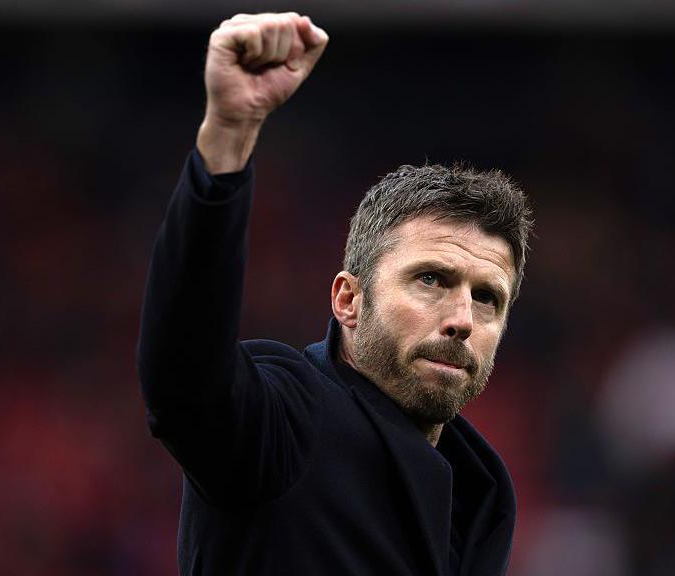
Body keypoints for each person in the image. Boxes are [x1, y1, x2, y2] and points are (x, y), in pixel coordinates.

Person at [136, 12, 533, 576]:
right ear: (348, 300)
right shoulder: (286, 420)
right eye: (431, 280)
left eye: (487, 298)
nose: (462, 319)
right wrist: (227, 137)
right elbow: (183, 378)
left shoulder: (481, 493)